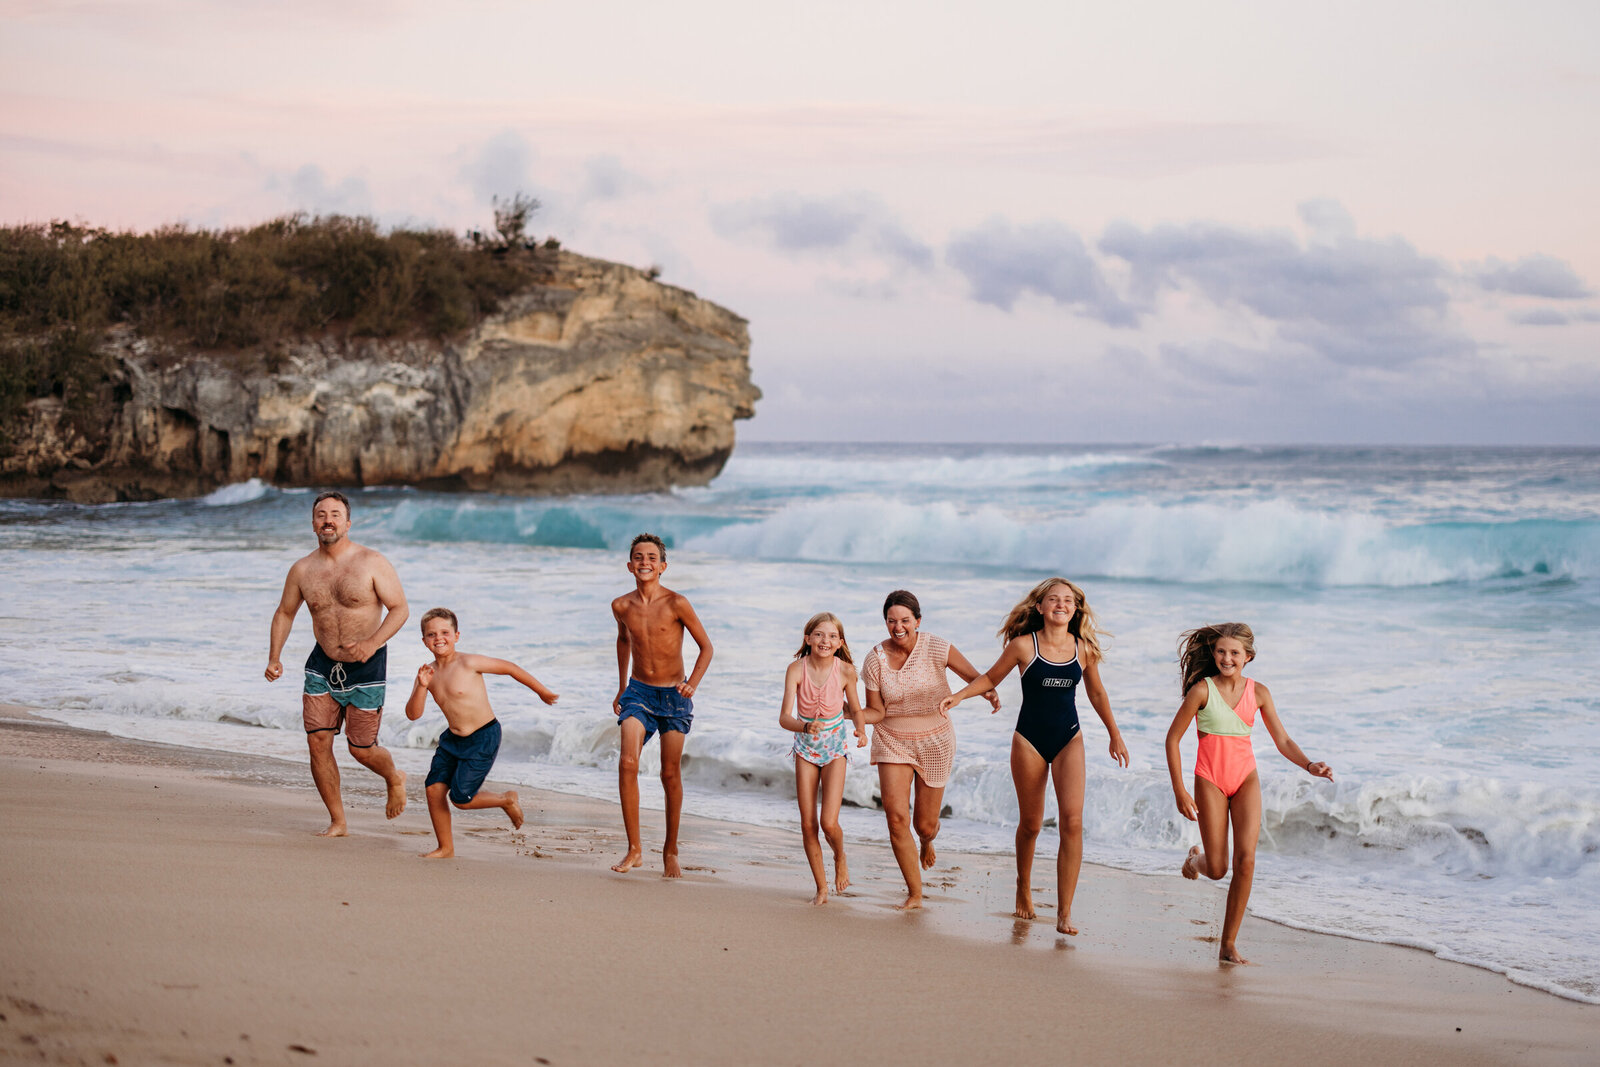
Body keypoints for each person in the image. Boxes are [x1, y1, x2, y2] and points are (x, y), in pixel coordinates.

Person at [940, 578, 1129, 934]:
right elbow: (991, 678)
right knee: (1031, 823)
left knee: (1072, 822)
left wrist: (1114, 734)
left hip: (1069, 738)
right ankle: (1023, 887)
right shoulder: (1023, 646)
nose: (1061, 604)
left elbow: (1098, 695)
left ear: (1076, 609)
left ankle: (1064, 913)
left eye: (1068, 601)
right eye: (1053, 600)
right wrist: (959, 696)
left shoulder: (1084, 649)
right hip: (1029, 740)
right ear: (1040, 607)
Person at [1165, 623, 1333, 964]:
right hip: (1210, 779)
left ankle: (1228, 944)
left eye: (1235, 653)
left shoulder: (1259, 693)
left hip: (1245, 780)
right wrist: (1180, 790)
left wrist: (1309, 765)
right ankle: (1193, 860)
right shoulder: (1202, 690)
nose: (1227, 658)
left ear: (1248, 658)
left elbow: (1283, 741)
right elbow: (1172, 740)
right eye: (1222, 651)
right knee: (1216, 868)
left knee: (1247, 860)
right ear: (1214, 654)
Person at [265, 490, 409, 836]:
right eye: (320, 514)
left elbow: (400, 608)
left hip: (367, 666)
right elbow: (285, 613)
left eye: (334, 514)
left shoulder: (372, 562)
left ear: (347, 522)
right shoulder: (302, 569)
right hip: (322, 665)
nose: (327, 520)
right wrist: (274, 657)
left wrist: (372, 643)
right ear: (313, 523)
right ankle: (338, 820)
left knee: (361, 749)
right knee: (318, 741)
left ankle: (393, 776)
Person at [859, 589, 998, 911]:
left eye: (905, 620)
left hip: (936, 740)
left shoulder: (936, 646)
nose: (898, 627)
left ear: (917, 621)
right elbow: (875, 711)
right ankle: (915, 892)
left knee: (924, 824)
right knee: (896, 819)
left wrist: (987, 693)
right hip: (892, 738)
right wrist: (846, 715)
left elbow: (976, 677)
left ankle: (927, 840)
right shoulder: (874, 659)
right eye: (891, 621)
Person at [404, 607, 560, 858]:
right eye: (431, 634)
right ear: (424, 641)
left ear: (457, 635)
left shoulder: (469, 662)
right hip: (452, 739)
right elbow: (413, 714)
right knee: (433, 790)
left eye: (445, 632)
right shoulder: (427, 674)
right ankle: (445, 847)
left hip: (483, 736)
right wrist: (422, 687)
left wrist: (541, 691)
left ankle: (506, 799)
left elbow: (509, 667)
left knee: (461, 798)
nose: (439, 638)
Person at [609, 533, 714, 877]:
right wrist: (622, 687)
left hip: (673, 697)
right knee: (627, 762)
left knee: (669, 774)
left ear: (663, 566)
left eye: (652, 558)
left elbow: (706, 648)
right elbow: (623, 641)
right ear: (629, 565)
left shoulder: (677, 604)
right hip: (638, 693)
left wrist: (692, 684)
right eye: (638, 557)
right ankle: (635, 849)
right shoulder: (621, 606)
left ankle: (670, 849)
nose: (645, 563)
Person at [777, 611, 867, 905]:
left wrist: (862, 732)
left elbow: (855, 707)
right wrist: (804, 726)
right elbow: (783, 717)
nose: (824, 640)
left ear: (840, 642)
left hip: (834, 750)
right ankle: (821, 887)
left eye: (831, 636)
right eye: (818, 634)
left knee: (829, 823)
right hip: (805, 748)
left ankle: (840, 856)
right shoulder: (795, 669)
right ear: (808, 639)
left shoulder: (846, 671)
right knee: (808, 824)